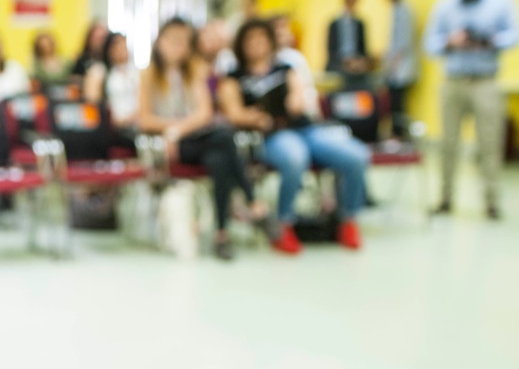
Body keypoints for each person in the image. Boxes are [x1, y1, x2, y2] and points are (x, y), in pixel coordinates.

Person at [219, 18, 371, 254]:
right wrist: (255, 117)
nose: (257, 44)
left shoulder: (286, 69)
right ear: (241, 45)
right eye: (251, 39)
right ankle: (284, 223)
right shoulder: (233, 77)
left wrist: (294, 102)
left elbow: (299, 99)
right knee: (294, 157)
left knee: (356, 155)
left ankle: (348, 219)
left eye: (262, 38)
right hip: (269, 135)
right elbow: (233, 113)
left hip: (305, 129)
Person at [139, 18, 268, 261]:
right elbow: (146, 120)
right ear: (160, 43)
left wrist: (177, 130)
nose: (179, 47)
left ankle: (221, 234)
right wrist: (175, 131)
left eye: (184, 42)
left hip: (194, 138)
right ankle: (252, 202)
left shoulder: (196, 69)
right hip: (174, 146)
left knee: (220, 159)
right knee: (223, 137)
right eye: (173, 41)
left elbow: (204, 113)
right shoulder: (148, 75)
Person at [424, 0, 519, 220]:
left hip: (486, 81)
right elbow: (429, 44)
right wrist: (450, 41)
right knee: (448, 143)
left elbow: (516, 35)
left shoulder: (503, 1)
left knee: (490, 143)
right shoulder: (445, 4)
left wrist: (490, 40)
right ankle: (445, 199)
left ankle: (492, 202)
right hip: (453, 81)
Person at [84, 33, 138, 134]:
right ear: (108, 49)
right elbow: (92, 103)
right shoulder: (99, 71)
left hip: (135, 122)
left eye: (124, 46)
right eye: (117, 46)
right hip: (110, 126)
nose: (122, 50)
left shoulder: (135, 73)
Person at [271, 15, 319, 120]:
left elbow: (309, 90)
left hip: (306, 115)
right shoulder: (267, 60)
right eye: (276, 27)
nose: (280, 32)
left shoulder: (296, 58)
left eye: (283, 27)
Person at [383, 0, 417, 137]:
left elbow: (403, 41)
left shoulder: (403, 10)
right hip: (396, 65)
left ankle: (399, 135)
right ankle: (396, 133)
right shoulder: (397, 8)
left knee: (398, 103)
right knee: (394, 102)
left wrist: (394, 65)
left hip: (400, 65)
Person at [326, 0, 373, 86]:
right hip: (339, 62)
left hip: (357, 61)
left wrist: (361, 61)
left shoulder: (360, 24)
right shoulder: (334, 24)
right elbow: (330, 49)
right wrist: (346, 62)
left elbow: (364, 49)